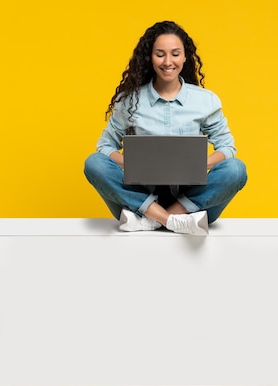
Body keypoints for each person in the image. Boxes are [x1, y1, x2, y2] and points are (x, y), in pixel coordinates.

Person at [84, 21, 247, 236]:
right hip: (140, 196)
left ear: (185, 56)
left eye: (175, 54)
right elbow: (105, 146)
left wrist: (199, 164)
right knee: (94, 163)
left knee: (236, 169)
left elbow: (227, 147)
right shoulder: (129, 101)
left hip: (192, 200)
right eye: (160, 54)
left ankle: (154, 219)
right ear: (150, 57)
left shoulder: (205, 101)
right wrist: (132, 163)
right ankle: (170, 220)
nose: (168, 61)